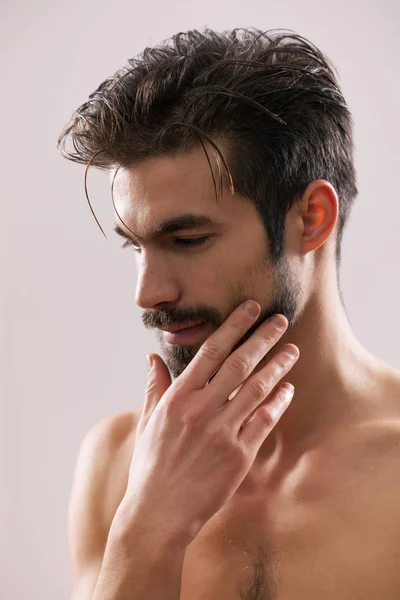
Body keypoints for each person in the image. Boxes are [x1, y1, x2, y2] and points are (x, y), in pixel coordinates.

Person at [57, 27, 400, 600]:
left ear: (311, 218)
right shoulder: (118, 463)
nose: (149, 293)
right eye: (135, 246)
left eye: (187, 239)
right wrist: (147, 531)